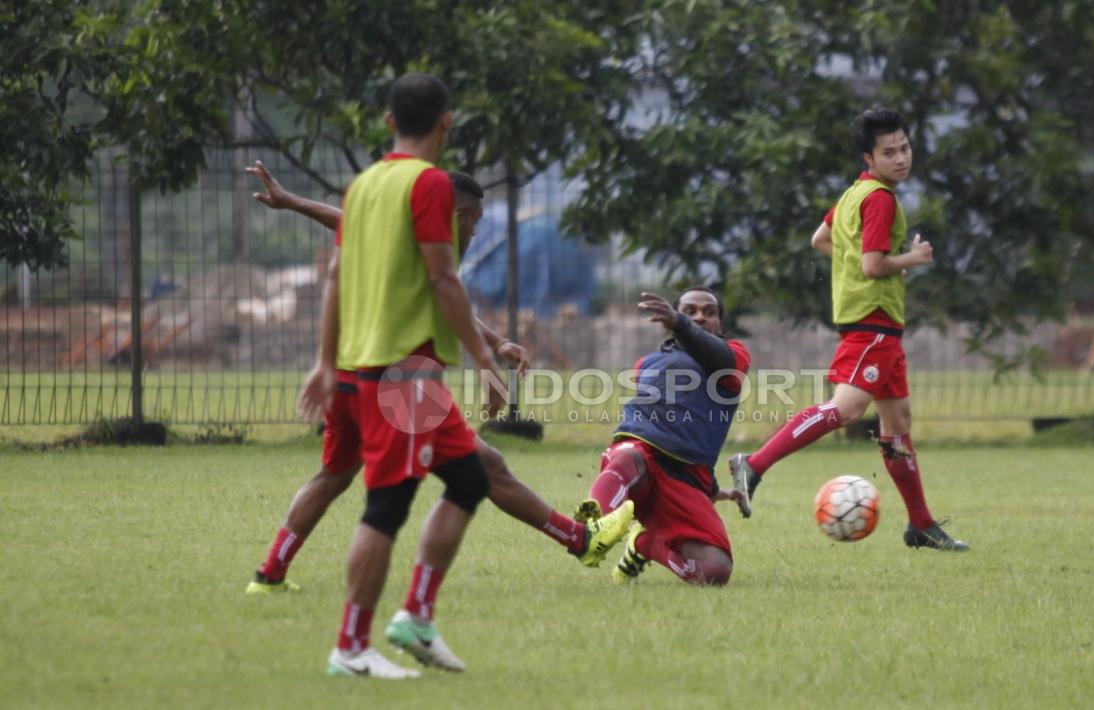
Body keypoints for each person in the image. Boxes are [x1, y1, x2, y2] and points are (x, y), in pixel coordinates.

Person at [243, 163, 634, 601]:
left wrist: (496, 343)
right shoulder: (428, 245)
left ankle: (270, 572)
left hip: (351, 377)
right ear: (459, 214)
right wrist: (489, 357)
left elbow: (351, 226)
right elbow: (444, 292)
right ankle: (578, 541)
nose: (474, 232)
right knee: (479, 472)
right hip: (399, 379)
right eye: (475, 221)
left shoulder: (399, 238)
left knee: (334, 475)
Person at [728, 107, 968, 552]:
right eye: (888, 152)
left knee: (898, 425)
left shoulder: (854, 193)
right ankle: (754, 464)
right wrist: (910, 260)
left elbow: (820, 239)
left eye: (905, 148)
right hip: (872, 323)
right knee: (847, 410)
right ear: (869, 158)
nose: (900, 158)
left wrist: (863, 261)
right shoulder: (880, 198)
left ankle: (920, 524)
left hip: (881, 329)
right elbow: (873, 266)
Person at [574, 286, 751, 586]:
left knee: (715, 571)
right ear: (673, 318)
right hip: (640, 455)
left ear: (720, 324)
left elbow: (701, 432)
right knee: (627, 456)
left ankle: (644, 543)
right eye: (690, 311)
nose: (700, 317)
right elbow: (674, 425)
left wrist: (712, 489)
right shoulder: (646, 365)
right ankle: (595, 527)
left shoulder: (734, 358)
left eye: (710, 312)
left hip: (685, 477)